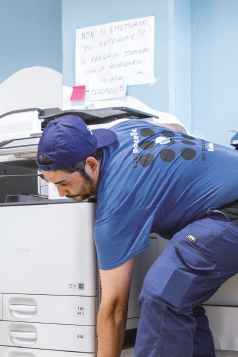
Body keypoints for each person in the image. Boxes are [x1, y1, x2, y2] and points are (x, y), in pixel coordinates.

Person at [38, 114, 238, 357]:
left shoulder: (118, 203)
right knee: (178, 294)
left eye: (64, 183)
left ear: (90, 164)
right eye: (53, 184)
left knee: (162, 295)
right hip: (221, 204)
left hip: (231, 210)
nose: (60, 193)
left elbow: (113, 307)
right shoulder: (125, 128)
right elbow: (175, 127)